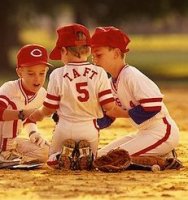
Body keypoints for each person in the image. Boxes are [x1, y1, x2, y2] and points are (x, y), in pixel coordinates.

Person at [29, 24, 128, 170]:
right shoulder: (99, 72)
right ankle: (87, 155)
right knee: (93, 161)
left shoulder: (57, 74)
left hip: (64, 127)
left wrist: (38, 114)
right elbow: (108, 107)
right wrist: (126, 111)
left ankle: (60, 156)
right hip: (89, 129)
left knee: (51, 161)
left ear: (63, 50)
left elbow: (50, 108)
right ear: (88, 50)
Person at [91, 26, 180, 159]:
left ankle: (162, 158)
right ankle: (161, 155)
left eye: (99, 55)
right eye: (92, 56)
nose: (95, 60)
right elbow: (108, 116)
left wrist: (123, 114)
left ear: (116, 53)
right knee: (99, 156)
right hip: (144, 134)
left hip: (162, 133)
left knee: (111, 158)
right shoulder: (110, 83)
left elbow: (154, 106)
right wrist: (84, 125)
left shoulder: (131, 75)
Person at [0, 44, 52, 163]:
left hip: (10, 140)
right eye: (31, 73)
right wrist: (22, 113)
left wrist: (33, 132)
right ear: (19, 72)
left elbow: (29, 118)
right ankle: (5, 154)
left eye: (42, 73)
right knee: (15, 105)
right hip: (3, 139)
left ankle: (13, 157)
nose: (37, 79)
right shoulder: (9, 88)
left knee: (46, 151)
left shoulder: (42, 94)